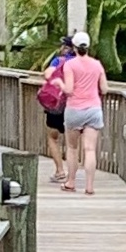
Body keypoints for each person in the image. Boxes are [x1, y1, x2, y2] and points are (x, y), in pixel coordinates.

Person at [60, 33, 108, 193]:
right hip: (94, 109)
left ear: (74, 47)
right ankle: (89, 186)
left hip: (74, 109)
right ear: (87, 47)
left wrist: (59, 83)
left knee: (72, 148)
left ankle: (71, 182)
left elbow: (69, 89)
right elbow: (105, 89)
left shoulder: (70, 65)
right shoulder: (97, 65)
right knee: (90, 149)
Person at [38, 37, 74, 183]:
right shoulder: (83, 63)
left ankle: (60, 171)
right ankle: (72, 174)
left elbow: (47, 74)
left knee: (53, 137)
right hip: (75, 104)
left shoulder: (58, 61)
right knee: (73, 142)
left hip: (57, 104)